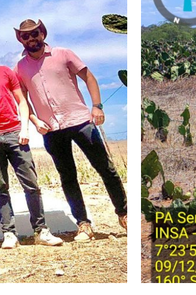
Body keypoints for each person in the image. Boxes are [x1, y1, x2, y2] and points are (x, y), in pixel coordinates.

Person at [14, 19, 128, 242]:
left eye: (34, 33)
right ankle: (83, 224)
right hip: (52, 130)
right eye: (25, 36)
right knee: (68, 177)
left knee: (106, 169)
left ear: (43, 33)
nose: (31, 39)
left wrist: (97, 106)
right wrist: (36, 122)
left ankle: (124, 214)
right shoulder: (19, 68)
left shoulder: (63, 54)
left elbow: (89, 77)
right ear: (21, 39)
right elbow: (23, 101)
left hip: (80, 121)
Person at [0, 38, 63, 249]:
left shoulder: (5, 72)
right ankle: (9, 233)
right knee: (0, 187)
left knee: (31, 184)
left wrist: (24, 128)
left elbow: (22, 101)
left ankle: (41, 230)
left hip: (15, 134)